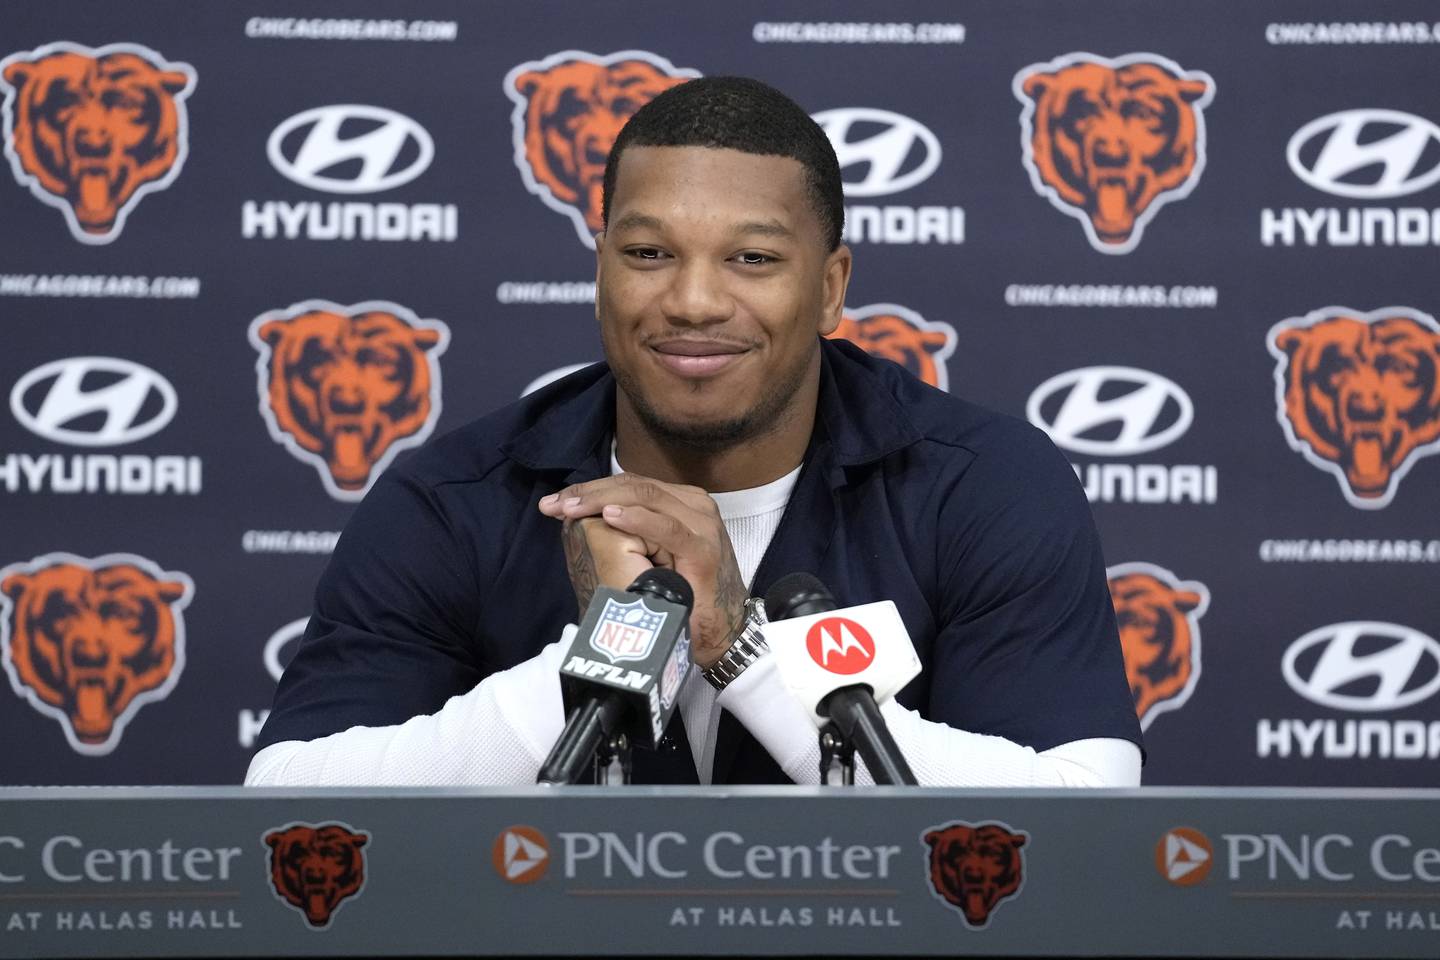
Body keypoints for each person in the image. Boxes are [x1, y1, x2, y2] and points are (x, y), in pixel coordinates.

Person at [246, 77, 1142, 787]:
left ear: (830, 287)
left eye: (752, 259)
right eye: (647, 254)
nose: (694, 301)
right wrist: (608, 657)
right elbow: (290, 801)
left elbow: (1079, 815)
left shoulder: (982, 484)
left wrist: (738, 649)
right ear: (600, 271)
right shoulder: (454, 499)